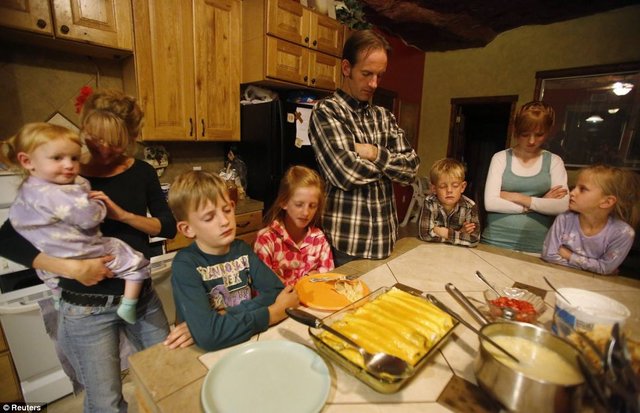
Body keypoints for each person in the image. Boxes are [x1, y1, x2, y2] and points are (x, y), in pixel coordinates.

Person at [0, 88, 192, 412]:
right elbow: (6, 238)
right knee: (105, 401)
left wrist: (123, 215)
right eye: (94, 136)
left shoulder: (142, 172)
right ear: (84, 126)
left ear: (131, 137)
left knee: (168, 374)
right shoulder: (63, 172)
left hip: (141, 297)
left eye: (114, 141)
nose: (101, 147)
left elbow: (167, 227)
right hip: (85, 308)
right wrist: (71, 268)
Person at [3, 122, 151, 324]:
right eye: (58, 158)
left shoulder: (30, 187)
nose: (69, 165)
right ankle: (129, 304)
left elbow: (19, 222)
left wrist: (124, 215)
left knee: (48, 273)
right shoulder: (64, 191)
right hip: (83, 281)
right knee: (135, 261)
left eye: (74, 158)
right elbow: (90, 218)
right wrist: (100, 206)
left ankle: (57, 297)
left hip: (51, 256)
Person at [309, 29, 420, 266]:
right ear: (346, 68)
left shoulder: (384, 117)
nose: (374, 83)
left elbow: (411, 169)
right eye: (367, 73)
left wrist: (373, 153)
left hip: (385, 241)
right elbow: (345, 173)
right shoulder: (327, 111)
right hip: (346, 245)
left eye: (380, 75)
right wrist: (391, 165)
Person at [167, 170, 299, 351]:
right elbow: (209, 335)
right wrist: (272, 313)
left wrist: (222, 315)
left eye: (227, 210)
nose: (224, 221)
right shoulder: (185, 265)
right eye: (209, 217)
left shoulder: (242, 249)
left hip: (244, 341)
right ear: (187, 229)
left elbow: (277, 292)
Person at [481, 101, 569, 253]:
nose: (532, 141)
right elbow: (491, 203)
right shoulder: (500, 158)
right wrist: (540, 203)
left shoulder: (554, 161)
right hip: (495, 239)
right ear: (516, 131)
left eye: (539, 135)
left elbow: (561, 206)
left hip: (536, 244)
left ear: (548, 132)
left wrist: (517, 197)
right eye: (525, 134)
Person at [542, 164, 639, 275]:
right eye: (575, 187)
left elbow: (605, 268)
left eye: (582, 189)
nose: (572, 192)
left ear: (607, 202)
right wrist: (596, 267)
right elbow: (549, 255)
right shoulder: (564, 219)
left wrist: (569, 255)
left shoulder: (623, 233)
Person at [254, 165, 334, 285]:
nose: (306, 212)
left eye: (312, 206)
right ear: (283, 202)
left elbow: (328, 281)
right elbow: (264, 287)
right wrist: (309, 278)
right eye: (299, 204)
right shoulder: (266, 240)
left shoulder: (319, 239)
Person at [418, 158, 480, 247]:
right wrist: (459, 234)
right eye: (443, 186)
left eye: (455, 186)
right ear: (434, 189)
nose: (449, 190)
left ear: (462, 187)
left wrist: (446, 233)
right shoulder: (429, 203)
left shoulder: (470, 206)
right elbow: (425, 234)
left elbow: (474, 239)